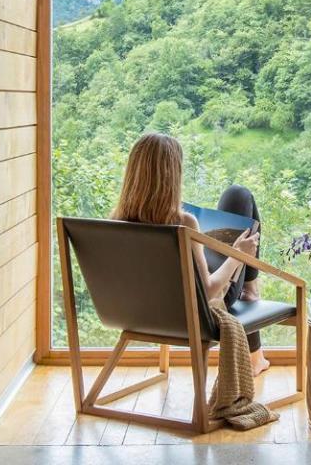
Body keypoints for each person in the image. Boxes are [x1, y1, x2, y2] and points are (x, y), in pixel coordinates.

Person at [111, 133, 270, 376]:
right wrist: (238, 254)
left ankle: (250, 291)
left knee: (235, 198)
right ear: (173, 176)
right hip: (194, 311)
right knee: (239, 195)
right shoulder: (183, 222)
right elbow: (206, 293)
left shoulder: (115, 221)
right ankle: (251, 291)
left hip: (141, 311)